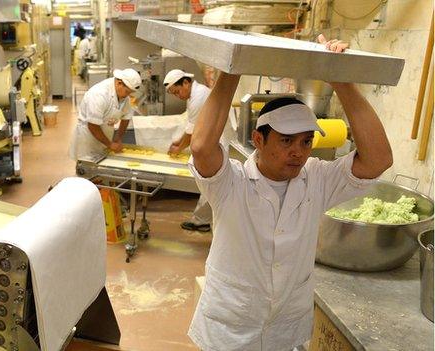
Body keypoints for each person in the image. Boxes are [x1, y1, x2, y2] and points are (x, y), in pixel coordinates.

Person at [187, 37, 393, 350]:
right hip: (231, 327)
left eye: (306, 142)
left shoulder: (317, 180)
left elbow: (379, 159)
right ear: (258, 139)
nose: (298, 153)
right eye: (286, 141)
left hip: (285, 326)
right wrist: (232, 69)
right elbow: (202, 147)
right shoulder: (232, 183)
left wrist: (342, 81)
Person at [163, 69, 213, 232]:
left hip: (217, 142)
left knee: (210, 183)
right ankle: (204, 219)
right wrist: (179, 142)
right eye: (174, 94)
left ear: (185, 82)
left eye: (177, 91)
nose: (178, 96)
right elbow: (192, 126)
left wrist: (178, 147)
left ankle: (202, 221)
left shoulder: (198, 97)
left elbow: (192, 132)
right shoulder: (195, 94)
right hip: (210, 140)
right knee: (209, 183)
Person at [69, 68, 141, 161]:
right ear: (119, 83)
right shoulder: (99, 94)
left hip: (105, 136)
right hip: (88, 139)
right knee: (87, 168)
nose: (128, 95)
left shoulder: (123, 95)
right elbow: (92, 125)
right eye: (127, 92)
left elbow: (126, 117)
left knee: (101, 167)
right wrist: (110, 144)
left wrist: (118, 138)